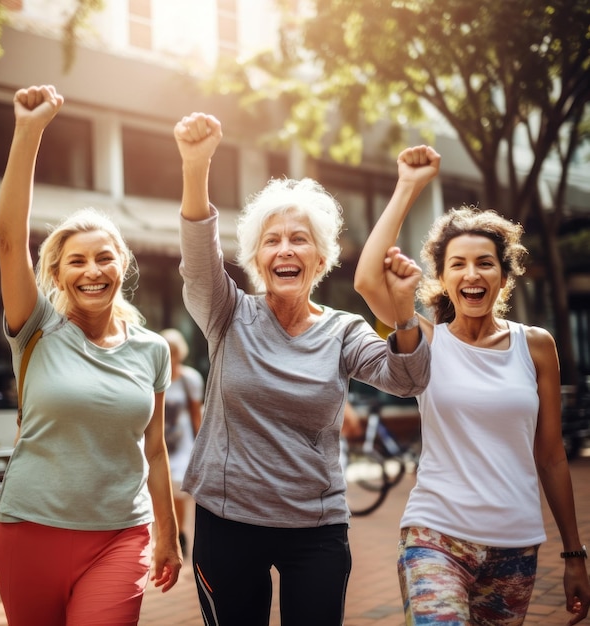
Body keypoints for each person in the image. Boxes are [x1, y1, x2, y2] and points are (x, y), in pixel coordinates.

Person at [172, 111, 431, 626]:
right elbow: (200, 259)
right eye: (272, 240)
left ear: (319, 258)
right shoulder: (229, 313)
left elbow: (406, 379)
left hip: (315, 527)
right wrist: (196, 164)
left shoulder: (343, 330)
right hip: (227, 520)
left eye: (299, 239)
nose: (285, 249)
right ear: (256, 257)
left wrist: (404, 312)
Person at [354, 145, 590, 625]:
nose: (472, 273)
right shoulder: (424, 340)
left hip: (515, 545)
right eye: (457, 264)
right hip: (434, 536)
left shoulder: (537, 346)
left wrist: (573, 553)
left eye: (485, 262)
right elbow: (365, 279)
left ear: (504, 276)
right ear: (441, 278)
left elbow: (550, 455)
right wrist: (407, 186)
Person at [0, 85, 182, 626]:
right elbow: (10, 240)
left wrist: (166, 533)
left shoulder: (151, 350)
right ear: (57, 274)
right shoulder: (35, 330)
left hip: (120, 537)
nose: (92, 270)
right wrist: (28, 131)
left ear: (122, 263)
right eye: (76, 261)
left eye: (104, 257)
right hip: (30, 531)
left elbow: (155, 448)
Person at [160, 328, 204, 555]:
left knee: (177, 488)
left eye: (174, 351)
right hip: (160, 442)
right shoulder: (154, 376)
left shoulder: (190, 379)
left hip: (183, 443)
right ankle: (167, 534)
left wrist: (200, 445)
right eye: (167, 351)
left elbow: (196, 414)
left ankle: (179, 534)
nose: (171, 355)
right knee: (160, 487)